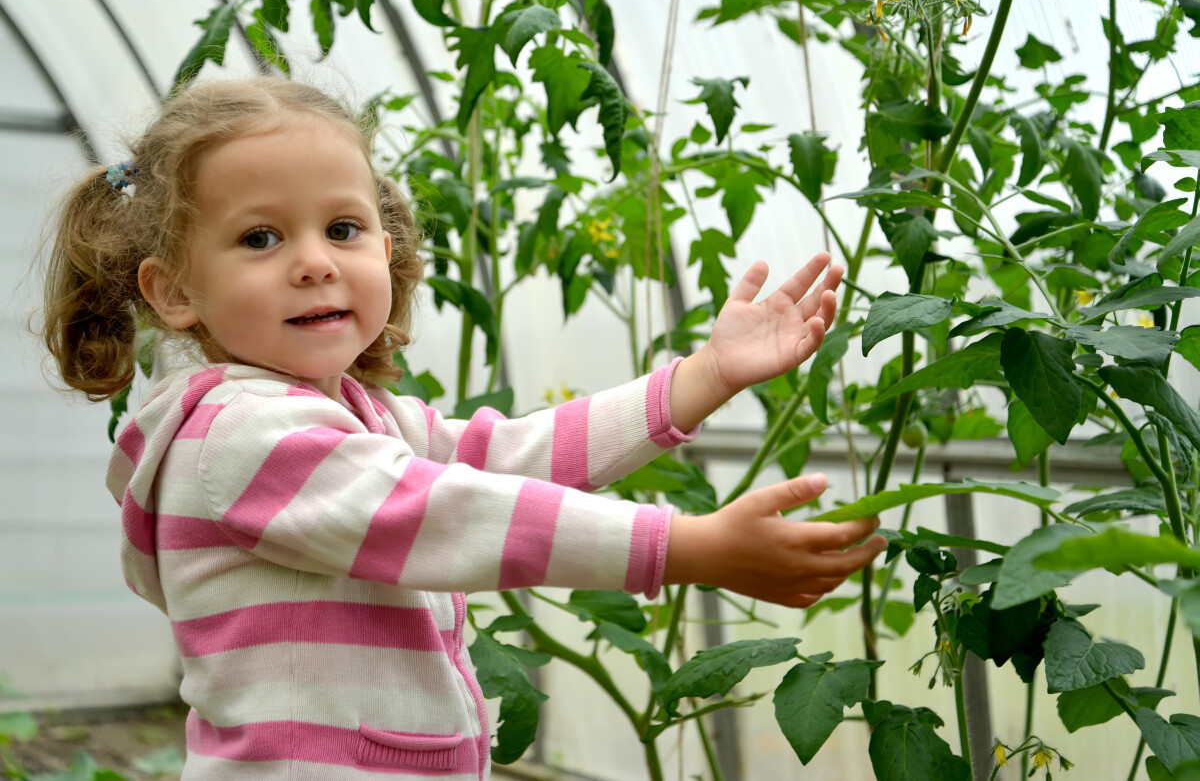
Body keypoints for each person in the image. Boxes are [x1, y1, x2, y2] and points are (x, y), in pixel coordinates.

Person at [41, 76, 884, 779]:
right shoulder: (240, 439)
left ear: (386, 241)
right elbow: (445, 512)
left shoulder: (349, 414)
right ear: (175, 292)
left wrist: (701, 378)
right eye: (260, 237)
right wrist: (685, 546)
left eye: (342, 227)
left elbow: (505, 458)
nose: (314, 259)